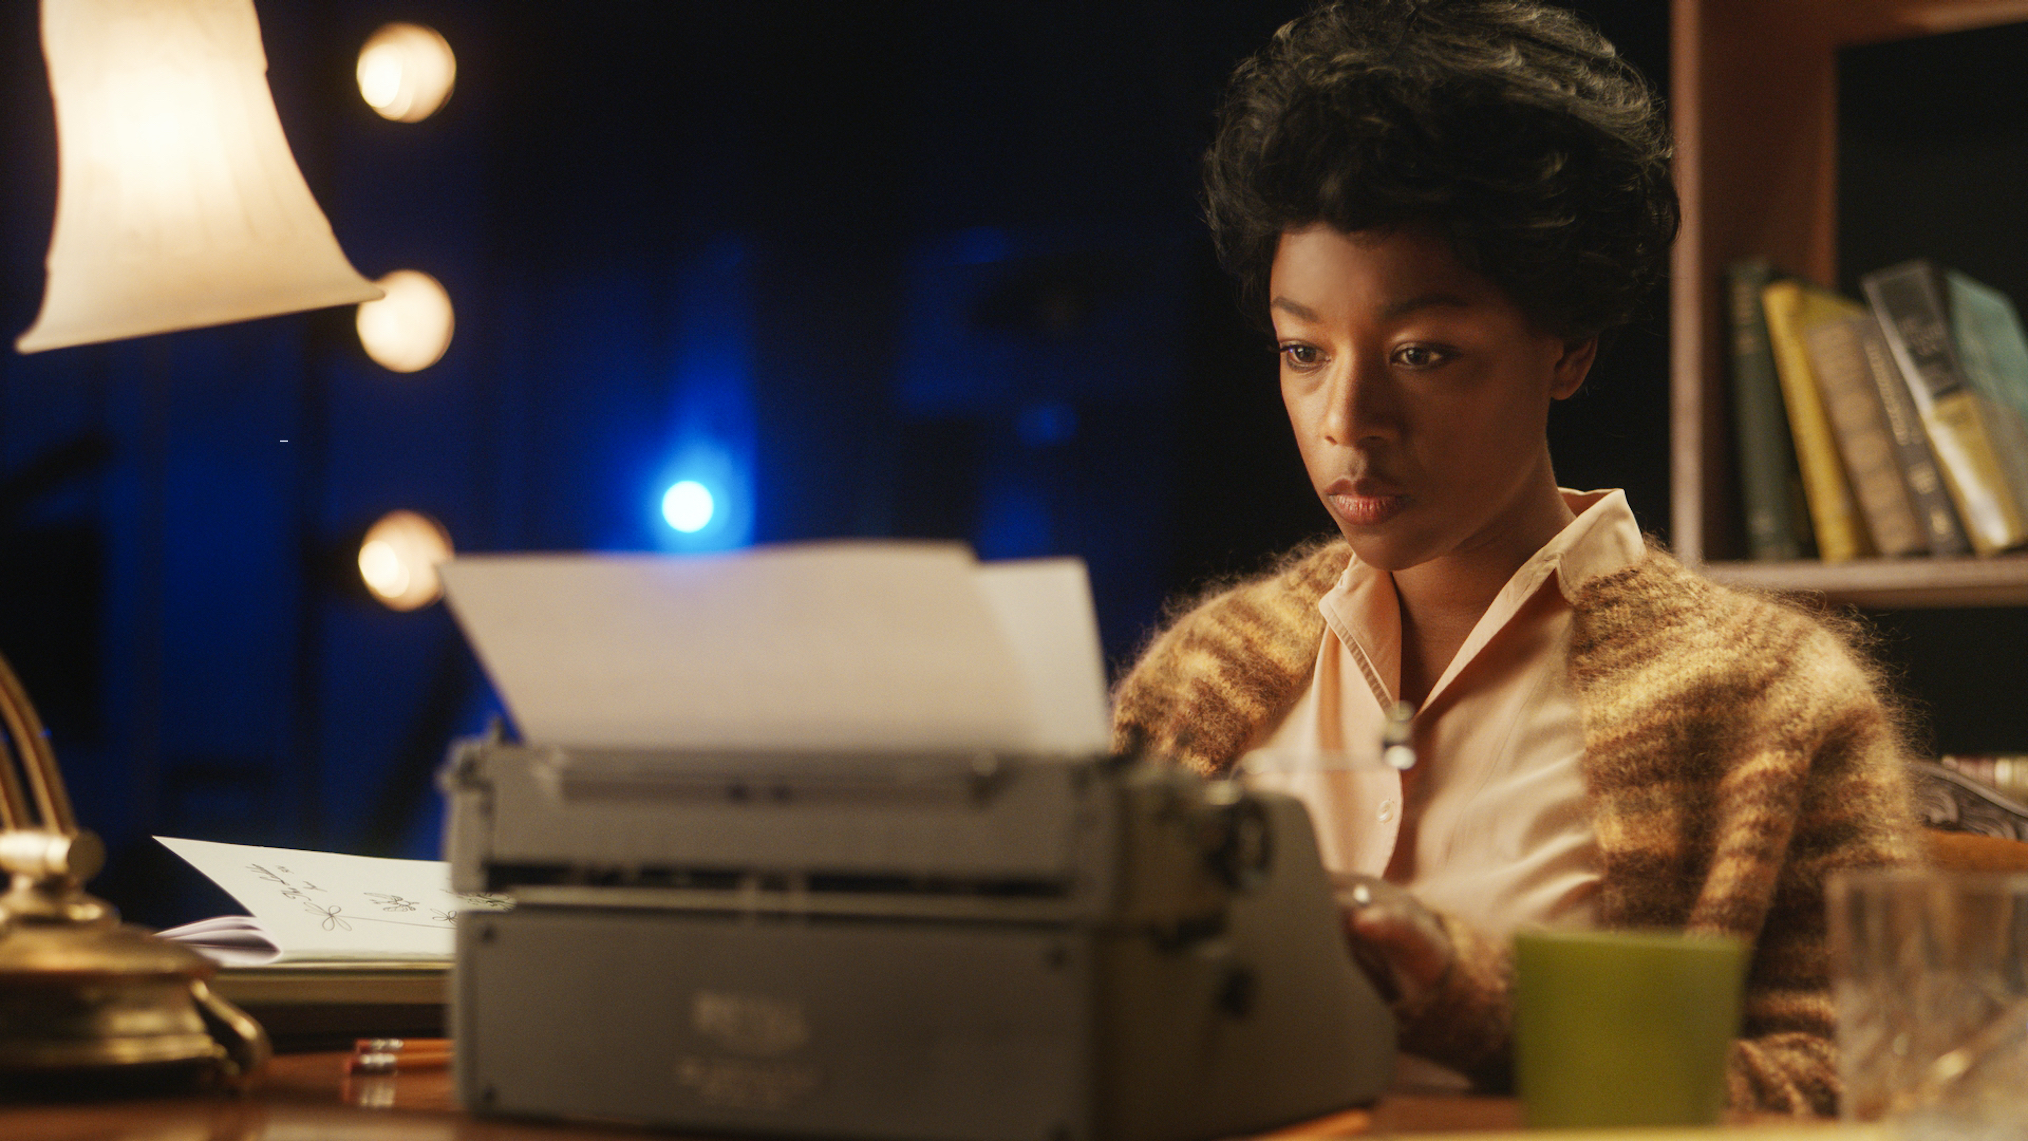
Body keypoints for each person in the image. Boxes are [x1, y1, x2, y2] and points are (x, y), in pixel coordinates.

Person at [1110, 0, 1921, 1116]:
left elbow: (1858, 1092)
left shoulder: (1768, 709)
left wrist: (1469, 991)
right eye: (1303, 351)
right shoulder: (1201, 679)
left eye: (1423, 353)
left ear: (1569, 347)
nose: (1348, 417)